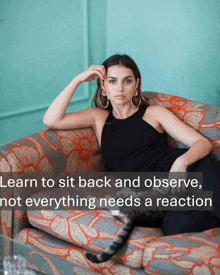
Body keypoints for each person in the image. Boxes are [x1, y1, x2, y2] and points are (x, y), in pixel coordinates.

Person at [43, 54, 220, 235]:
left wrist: (181, 163)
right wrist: (78, 79)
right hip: (163, 196)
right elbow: (51, 119)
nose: (120, 88)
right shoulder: (98, 118)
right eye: (112, 81)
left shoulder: (153, 113)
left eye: (127, 81)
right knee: (175, 228)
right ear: (102, 86)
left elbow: (202, 143)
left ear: (136, 84)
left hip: (195, 172)